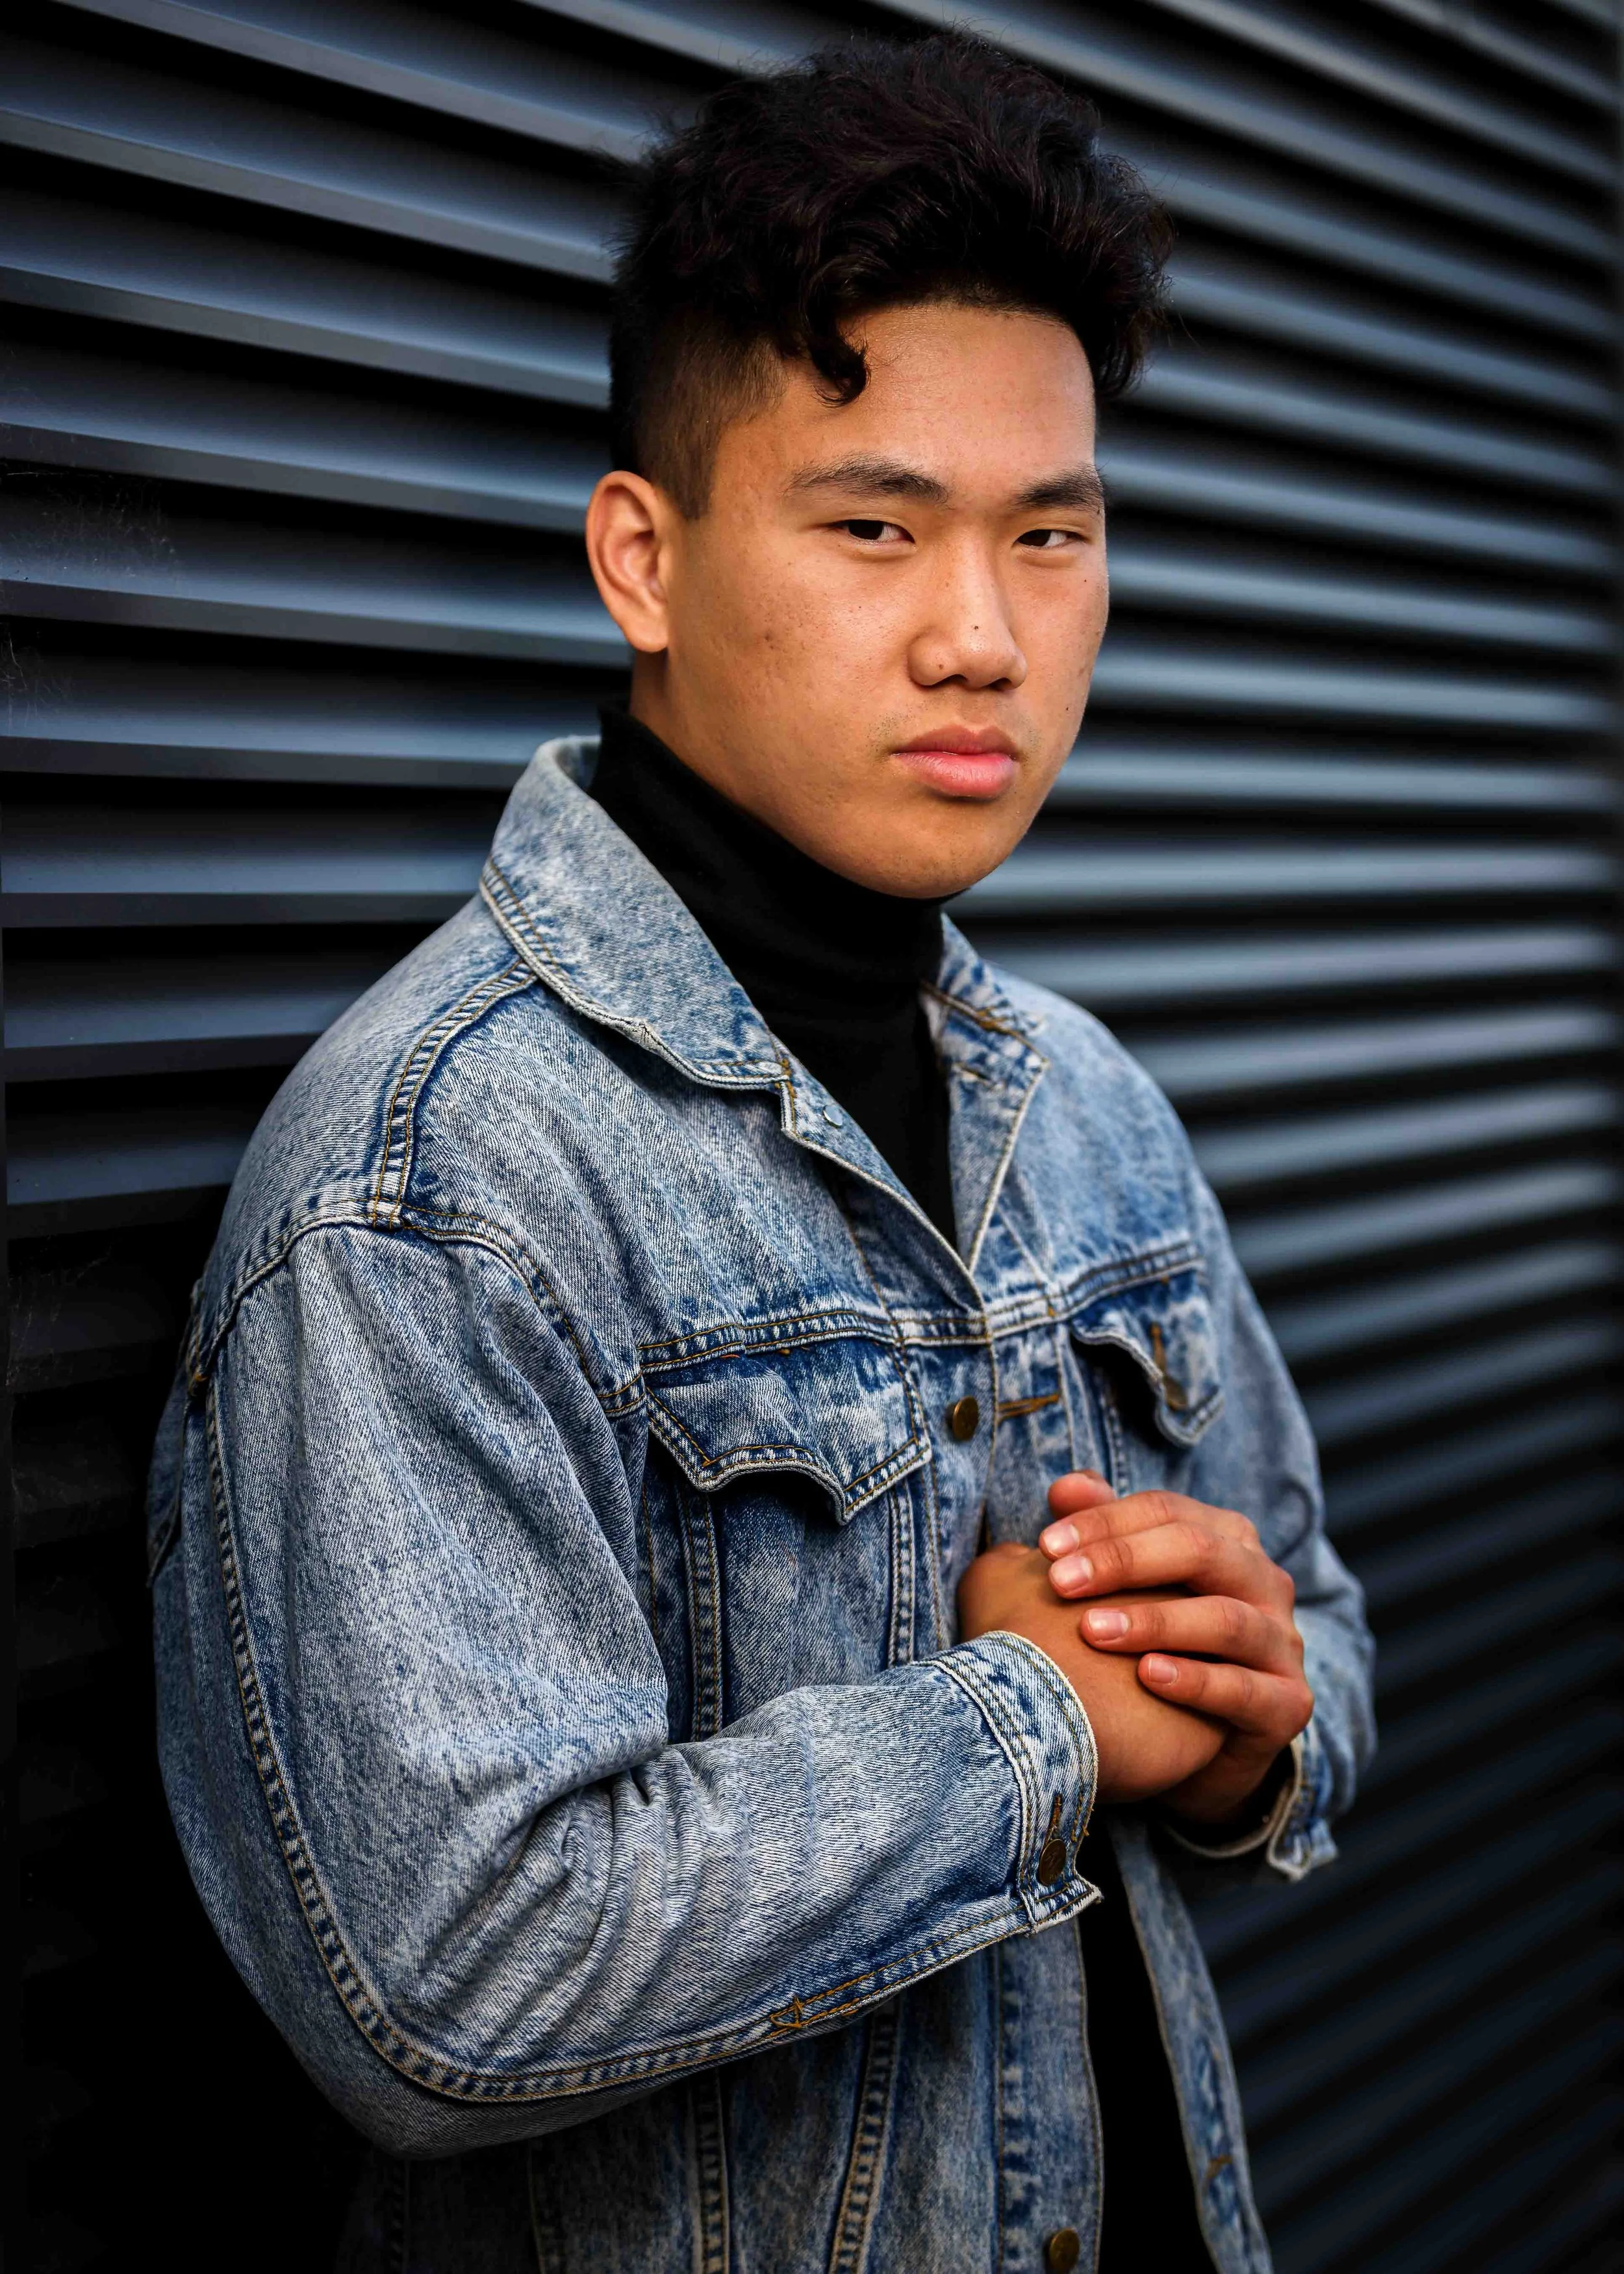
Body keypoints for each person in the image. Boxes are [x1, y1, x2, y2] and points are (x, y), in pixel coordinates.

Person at [148, 32, 1374, 2273]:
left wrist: (1239, 1726)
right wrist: (1034, 1732)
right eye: (875, 526)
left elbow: (1321, 1620)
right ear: (644, 555)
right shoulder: (430, 1174)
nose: (983, 635)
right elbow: (443, 1977)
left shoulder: (1083, 1097)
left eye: (1052, 535)